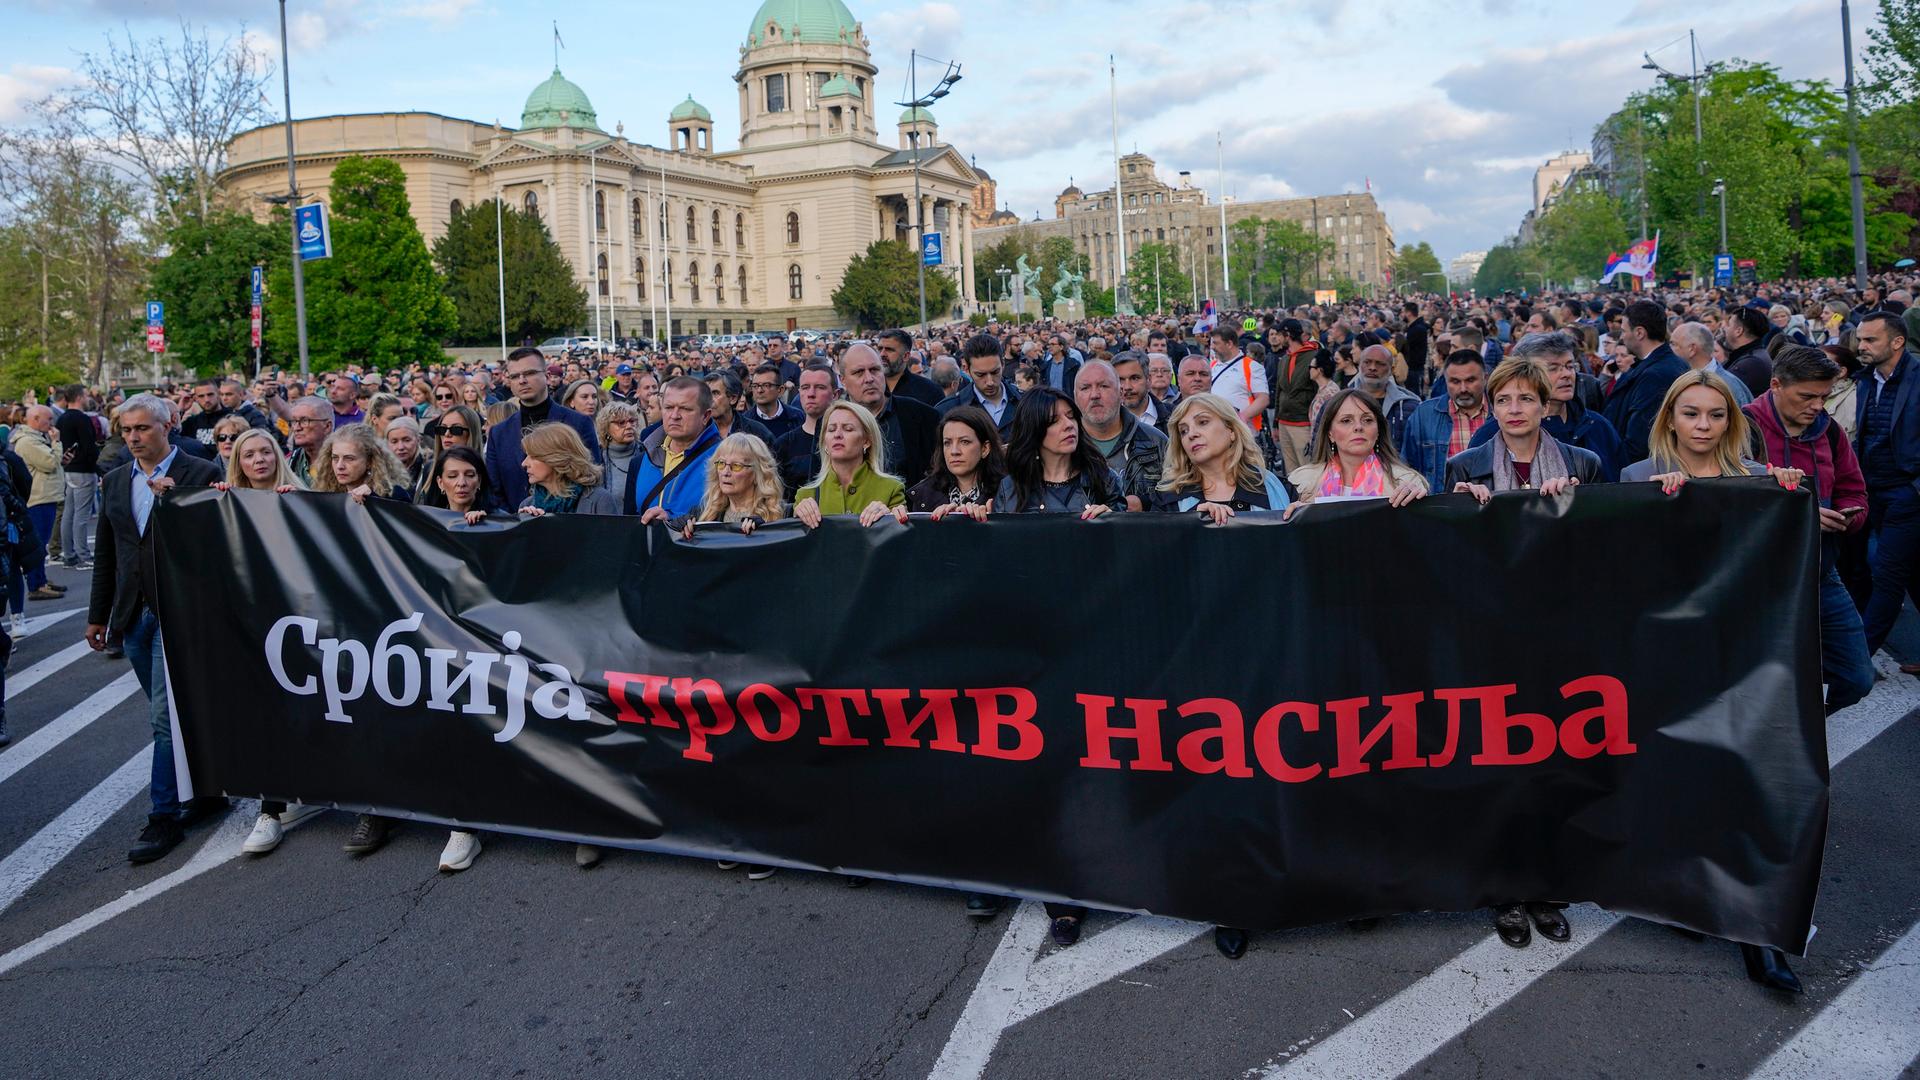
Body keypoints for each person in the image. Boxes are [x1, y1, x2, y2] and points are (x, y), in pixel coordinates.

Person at [85, 394, 227, 864]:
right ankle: (207, 792)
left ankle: (162, 815)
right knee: (172, 716)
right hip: (133, 614)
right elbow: (109, 552)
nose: (133, 437)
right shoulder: (114, 481)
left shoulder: (200, 471)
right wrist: (97, 614)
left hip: (179, 611)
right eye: (126, 430)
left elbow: (216, 543)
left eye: (143, 428)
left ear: (169, 425)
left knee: (163, 720)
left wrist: (177, 505)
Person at [1744, 345, 1872, 713]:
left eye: (1824, 396)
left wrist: (1850, 516)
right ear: (1776, 385)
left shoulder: (1830, 431)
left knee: (1856, 677)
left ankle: (1803, 726)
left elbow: (1855, 489)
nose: (1817, 406)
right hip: (1758, 580)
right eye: (1807, 396)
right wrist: (1801, 513)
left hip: (1820, 572)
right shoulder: (1741, 426)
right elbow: (1725, 499)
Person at [1849, 312, 1920, 656]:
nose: (1861, 346)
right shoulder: (1864, 379)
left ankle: (1858, 657)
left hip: (1907, 492)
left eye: (1870, 340)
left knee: (1888, 574)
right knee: (1912, 573)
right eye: (1860, 339)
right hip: (1872, 490)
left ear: (1897, 342)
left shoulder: (1918, 377)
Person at [1469, 331, 1624, 481]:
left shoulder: (1598, 426)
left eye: (1570, 366)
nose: (1566, 374)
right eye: (1553, 368)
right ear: (1524, 372)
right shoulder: (1493, 433)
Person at [1445, 357, 1603, 500]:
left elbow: (1596, 528)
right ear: (1493, 410)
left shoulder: (1584, 463)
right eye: (1503, 400)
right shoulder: (1463, 466)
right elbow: (1450, 531)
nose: (1514, 409)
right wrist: (1460, 509)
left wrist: (1577, 504)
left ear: (1545, 407)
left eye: (1526, 399)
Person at [1620, 370, 1800, 488]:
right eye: (1691, 414)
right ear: (1670, 420)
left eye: (1716, 415)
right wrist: (1650, 501)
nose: (1704, 425)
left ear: (1728, 422)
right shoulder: (1638, 476)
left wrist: (1786, 486)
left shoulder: (1757, 476)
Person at [484, 347, 602, 512]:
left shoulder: (578, 423)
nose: (522, 380)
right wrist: (516, 522)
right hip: (516, 527)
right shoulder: (499, 433)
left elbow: (592, 476)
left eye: (530, 373)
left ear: (546, 376)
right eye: (515, 376)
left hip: (571, 525)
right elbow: (494, 491)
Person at [1149, 392, 1292, 521]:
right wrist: (1190, 520)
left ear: (1231, 431)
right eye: (1183, 431)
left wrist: (1303, 519)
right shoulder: (1167, 499)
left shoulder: (1278, 488)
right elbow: (1157, 547)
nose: (1191, 434)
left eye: (1203, 422)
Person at [1287, 389, 1429, 508]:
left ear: (1378, 431)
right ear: (1330, 433)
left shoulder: (1406, 482)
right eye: (1346, 421)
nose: (1358, 427)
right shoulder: (1301, 482)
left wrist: (1416, 504)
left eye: (1367, 420)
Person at [994, 388, 1124, 518]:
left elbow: (1124, 534)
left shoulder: (1104, 479)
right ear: (1033, 430)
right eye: (1054, 421)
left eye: (1071, 416)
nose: (1068, 425)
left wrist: (1111, 523)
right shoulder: (1011, 489)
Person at [793, 400, 907, 528]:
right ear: (824, 441)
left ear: (867, 441)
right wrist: (797, 519)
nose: (837, 435)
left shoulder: (891, 489)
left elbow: (900, 541)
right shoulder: (806, 495)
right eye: (831, 430)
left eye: (848, 429)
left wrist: (889, 518)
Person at [839, 342, 938, 486]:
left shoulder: (922, 415)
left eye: (875, 370)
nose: (869, 378)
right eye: (858, 372)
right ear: (843, 381)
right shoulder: (830, 424)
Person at [1604, 299, 1690, 464]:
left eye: (1624, 330)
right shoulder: (1665, 363)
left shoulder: (1655, 375)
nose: (1622, 336)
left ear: (1639, 333)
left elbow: (1641, 439)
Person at [1075, 360, 1167, 510]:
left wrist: (1145, 504)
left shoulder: (1156, 442)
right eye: (1085, 388)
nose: (1095, 395)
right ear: (1075, 396)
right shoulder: (1062, 447)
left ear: (1120, 392)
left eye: (1104, 386)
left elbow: (1178, 497)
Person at [629, 376, 723, 522]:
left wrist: (674, 520)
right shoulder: (644, 457)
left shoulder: (724, 459)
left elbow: (731, 515)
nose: (674, 416)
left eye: (685, 409)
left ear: (705, 416)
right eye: (668, 407)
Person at [1400, 351, 1488, 495]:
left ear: (1485, 378)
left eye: (1471, 380)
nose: (1463, 389)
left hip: (1491, 505)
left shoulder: (1499, 414)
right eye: (1455, 381)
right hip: (1441, 507)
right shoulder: (1424, 415)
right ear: (1445, 381)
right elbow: (1408, 467)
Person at [680, 433, 788, 538]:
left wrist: (766, 529)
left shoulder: (784, 515)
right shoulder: (701, 515)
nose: (726, 472)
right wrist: (677, 529)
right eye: (721, 463)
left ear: (757, 474)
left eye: (736, 466)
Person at [908, 405, 1008, 519]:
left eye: (964, 442)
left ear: (985, 448)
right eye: (947, 443)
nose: (954, 451)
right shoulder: (924, 495)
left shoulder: (1008, 492)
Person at [10, 405, 64, 601]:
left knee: (42, 543)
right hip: (38, 498)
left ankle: (40, 579)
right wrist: (56, 443)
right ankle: (36, 584)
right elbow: (49, 464)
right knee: (38, 544)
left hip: (45, 495)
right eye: (48, 419)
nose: (51, 423)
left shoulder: (35, 439)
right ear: (35, 418)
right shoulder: (27, 442)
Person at [518, 423, 620, 517]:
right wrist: (525, 529)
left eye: (533, 456)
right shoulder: (527, 505)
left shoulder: (600, 500)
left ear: (557, 458)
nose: (524, 464)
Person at [772, 364, 840, 495]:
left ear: (835, 394)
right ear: (799, 392)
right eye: (805, 387)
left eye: (820, 387)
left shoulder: (847, 439)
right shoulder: (784, 445)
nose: (811, 394)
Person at [939, 333, 1020, 442]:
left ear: (1003, 364)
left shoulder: (1026, 402)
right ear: (967, 370)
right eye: (980, 375)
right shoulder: (947, 410)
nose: (990, 382)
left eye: (995, 372)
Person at [54, 384, 99, 569]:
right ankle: (83, 554)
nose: (88, 398)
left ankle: (70, 554)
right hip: (84, 469)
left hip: (68, 468)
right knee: (81, 514)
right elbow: (89, 446)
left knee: (69, 513)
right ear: (80, 397)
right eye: (86, 395)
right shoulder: (82, 419)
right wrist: (99, 467)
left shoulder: (62, 418)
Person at [313, 423, 413, 504]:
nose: (339, 466)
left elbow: (406, 519)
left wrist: (374, 498)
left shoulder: (393, 494)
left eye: (349, 458)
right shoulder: (328, 493)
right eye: (335, 458)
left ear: (369, 461)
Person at [1270, 318, 1321, 472]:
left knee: (1307, 471)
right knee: (1292, 473)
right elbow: (1280, 390)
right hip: (1284, 422)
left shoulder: (1314, 356)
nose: (1276, 338)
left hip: (1303, 423)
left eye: (1279, 334)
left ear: (1288, 335)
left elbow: (1318, 390)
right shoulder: (1285, 358)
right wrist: (1276, 424)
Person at [1671, 322, 1753, 406]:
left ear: (1692, 349)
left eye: (1674, 344)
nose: (1670, 349)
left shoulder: (1729, 387)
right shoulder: (1679, 377)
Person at [875, 328, 943, 407]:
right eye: (880, 349)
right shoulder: (870, 387)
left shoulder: (930, 391)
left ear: (906, 356)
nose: (882, 354)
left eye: (889, 350)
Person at [704, 370, 774, 445]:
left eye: (715, 393)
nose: (708, 399)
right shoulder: (695, 430)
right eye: (705, 393)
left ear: (733, 398)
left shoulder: (757, 433)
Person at [595, 401, 642, 507]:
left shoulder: (647, 453)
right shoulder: (597, 456)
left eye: (632, 421)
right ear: (606, 428)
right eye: (621, 423)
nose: (629, 426)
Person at [1111, 350, 1169, 433]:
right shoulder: (1105, 421)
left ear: (1149, 380)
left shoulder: (1174, 417)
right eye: (1121, 380)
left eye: (1135, 378)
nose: (1127, 387)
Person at [1723, 306, 1773, 397]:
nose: (1724, 328)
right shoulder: (1754, 355)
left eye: (1728, 325)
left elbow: (1722, 394)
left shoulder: (1751, 363)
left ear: (1738, 331)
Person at [745, 363, 803, 440]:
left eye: (766, 385)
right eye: (755, 386)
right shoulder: (744, 421)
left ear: (780, 390)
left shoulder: (797, 417)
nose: (759, 390)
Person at [285, 395, 333, 487]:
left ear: (327, 426)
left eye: (304, 420)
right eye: (294, 421)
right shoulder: (291, 462)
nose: (296, 428)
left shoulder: (343, 462)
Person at [386, 416, 432, 497]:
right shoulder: (382, 469)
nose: (400, 447)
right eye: (394, 442)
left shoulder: (430, 468)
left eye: (406, 440)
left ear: (418, 440)